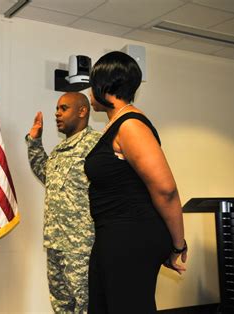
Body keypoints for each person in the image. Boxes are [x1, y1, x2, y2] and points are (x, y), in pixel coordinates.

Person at [84, 51, 188, 314]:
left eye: (92, 83)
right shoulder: (116, 125)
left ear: (104, 87)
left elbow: (166, 190)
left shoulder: (130, 126)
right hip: (113, 235)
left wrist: (178, 245)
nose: (88, 91)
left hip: (131, 235)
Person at [26, 92, 102, 313]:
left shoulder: (96, 145)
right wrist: (34, 142)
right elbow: (48, 177)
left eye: (64, 108)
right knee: (61, 305)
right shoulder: (60, 149)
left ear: (82, 111)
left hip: (81, 246)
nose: (57, 114)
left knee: (86, 305)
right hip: (55, 242)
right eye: (57, 109)